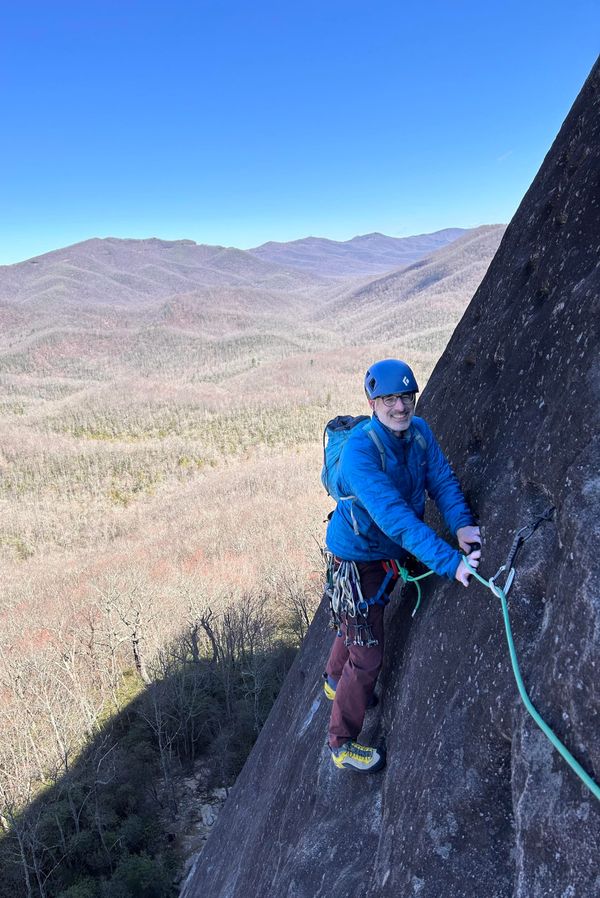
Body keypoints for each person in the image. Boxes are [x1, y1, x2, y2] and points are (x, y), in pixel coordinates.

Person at [324, 358, 481, 772]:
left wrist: (462, 524)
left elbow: (442, 481)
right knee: (368, 657)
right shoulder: (359, 454)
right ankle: (341, 743)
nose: (400, 407)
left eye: (406, 397)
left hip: (385, 554)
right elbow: (396, 518)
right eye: (390, 399)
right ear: (372, 403)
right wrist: (451, 563)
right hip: (357, 560)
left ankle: (331, 679)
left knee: (361, 619)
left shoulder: (420, 434)